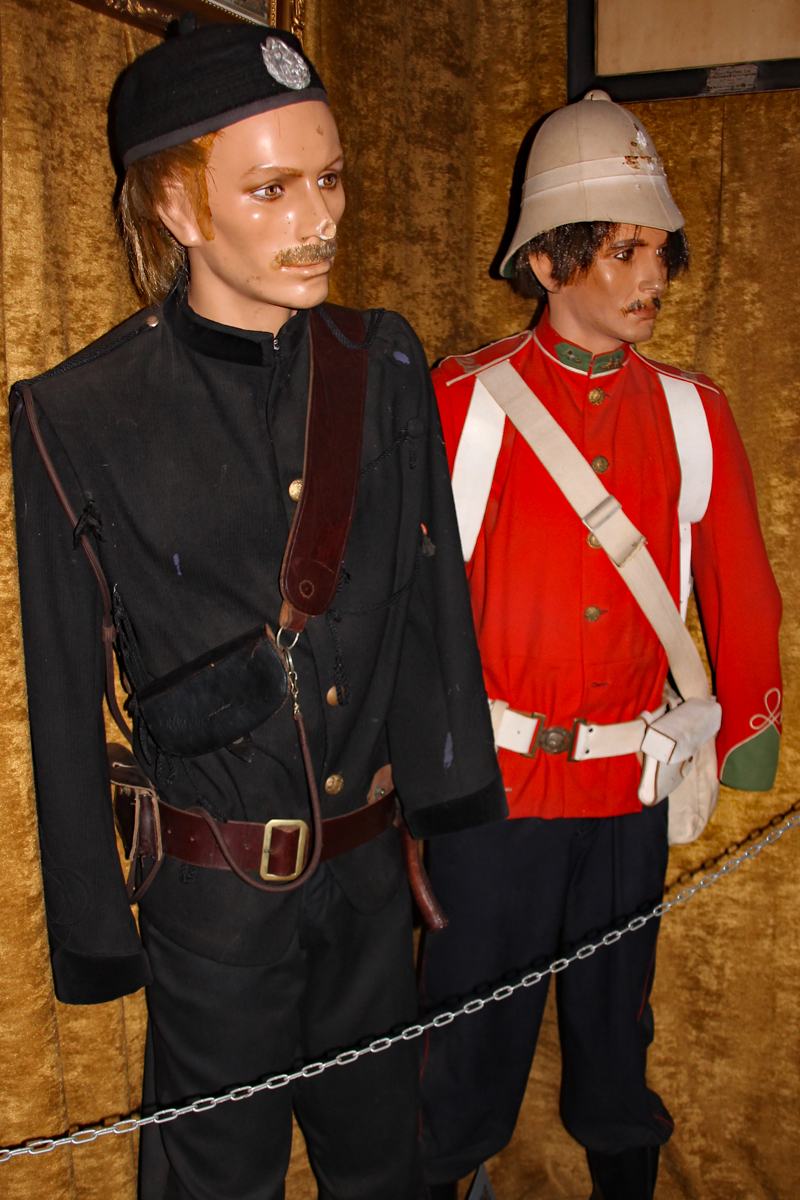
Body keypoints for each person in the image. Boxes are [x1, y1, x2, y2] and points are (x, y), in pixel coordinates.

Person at [10, 20, 507, 1200]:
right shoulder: (77, 412)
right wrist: (95, 930)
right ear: (176, 206)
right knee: (215, 1181)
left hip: (372, 879)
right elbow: (62, 689)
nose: (318, 218)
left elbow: (431, 597)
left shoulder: (383, 362)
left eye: (328, 178)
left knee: (383, 1168)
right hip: (214, 902)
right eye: (272, 189)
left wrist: (453, 802)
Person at [420, 91, 782, 1200]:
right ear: (546, 261)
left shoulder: (693, 414)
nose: (652, 275)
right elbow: (403, 606)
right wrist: (397, 775)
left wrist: (750, 726)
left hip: (631, 790)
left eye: (659, 250)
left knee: (618, 1043)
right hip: (490, 796)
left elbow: (739, 582)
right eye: (623, 251)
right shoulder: (459, 405)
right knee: (462, 1048)